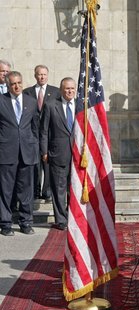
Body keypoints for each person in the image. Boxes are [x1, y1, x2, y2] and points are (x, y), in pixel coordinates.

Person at [0, 71, 39, 236]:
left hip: (27, 152)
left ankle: (26, 223)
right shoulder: (1, 101)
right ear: (8, 85)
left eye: (19, 83)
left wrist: (34, 146)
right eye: (13, 84)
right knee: (6, 190)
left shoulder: (31, 101)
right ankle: (6, 224)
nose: (17, 86)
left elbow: (35, 127)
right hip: (6, 152)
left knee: (26, 191)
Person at [39, 77, 76, 231]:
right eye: (67, 88)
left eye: (72, 88)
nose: (70, 91)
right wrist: (44, 151)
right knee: (59, 189)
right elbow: (44, 131)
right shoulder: (51, 105)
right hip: (57, 153)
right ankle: (61, 220)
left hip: (78, 156)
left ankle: (74, 217)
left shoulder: (80, 105)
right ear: (61, 90)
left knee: (74, 189)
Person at [23, 65, 60, 201]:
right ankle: (35, 191)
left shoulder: (55, 92)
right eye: (39, 74)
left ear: (47, 75)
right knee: (34, 164)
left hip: (50, 135)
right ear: (35, 76)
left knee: (48, 164)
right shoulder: (27, 92)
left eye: (44, 74)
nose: (42, 77)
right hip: (32, 135)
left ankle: (47, 191)